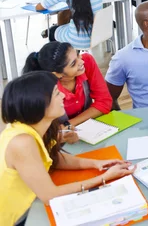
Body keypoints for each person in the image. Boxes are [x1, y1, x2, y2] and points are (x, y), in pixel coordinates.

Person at [0, 71, 134, 226]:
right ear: (39, 103)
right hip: (16, 218)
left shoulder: (32, 126)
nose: (63, 96)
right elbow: (50, 196)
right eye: (57, 94)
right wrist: (103, 178)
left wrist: (95, 164)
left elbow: (52, 158)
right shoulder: (22, 142)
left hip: (30, 205)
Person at [22, 41, 112, 143]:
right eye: (73, 63)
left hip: (90, 131)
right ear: (57, 74)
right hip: (58, 140)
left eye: (78, 54)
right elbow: (42, 131)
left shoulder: (87, 61)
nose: (81, 62)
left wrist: (68, 124)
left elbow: (105, 102)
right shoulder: (44, 88)